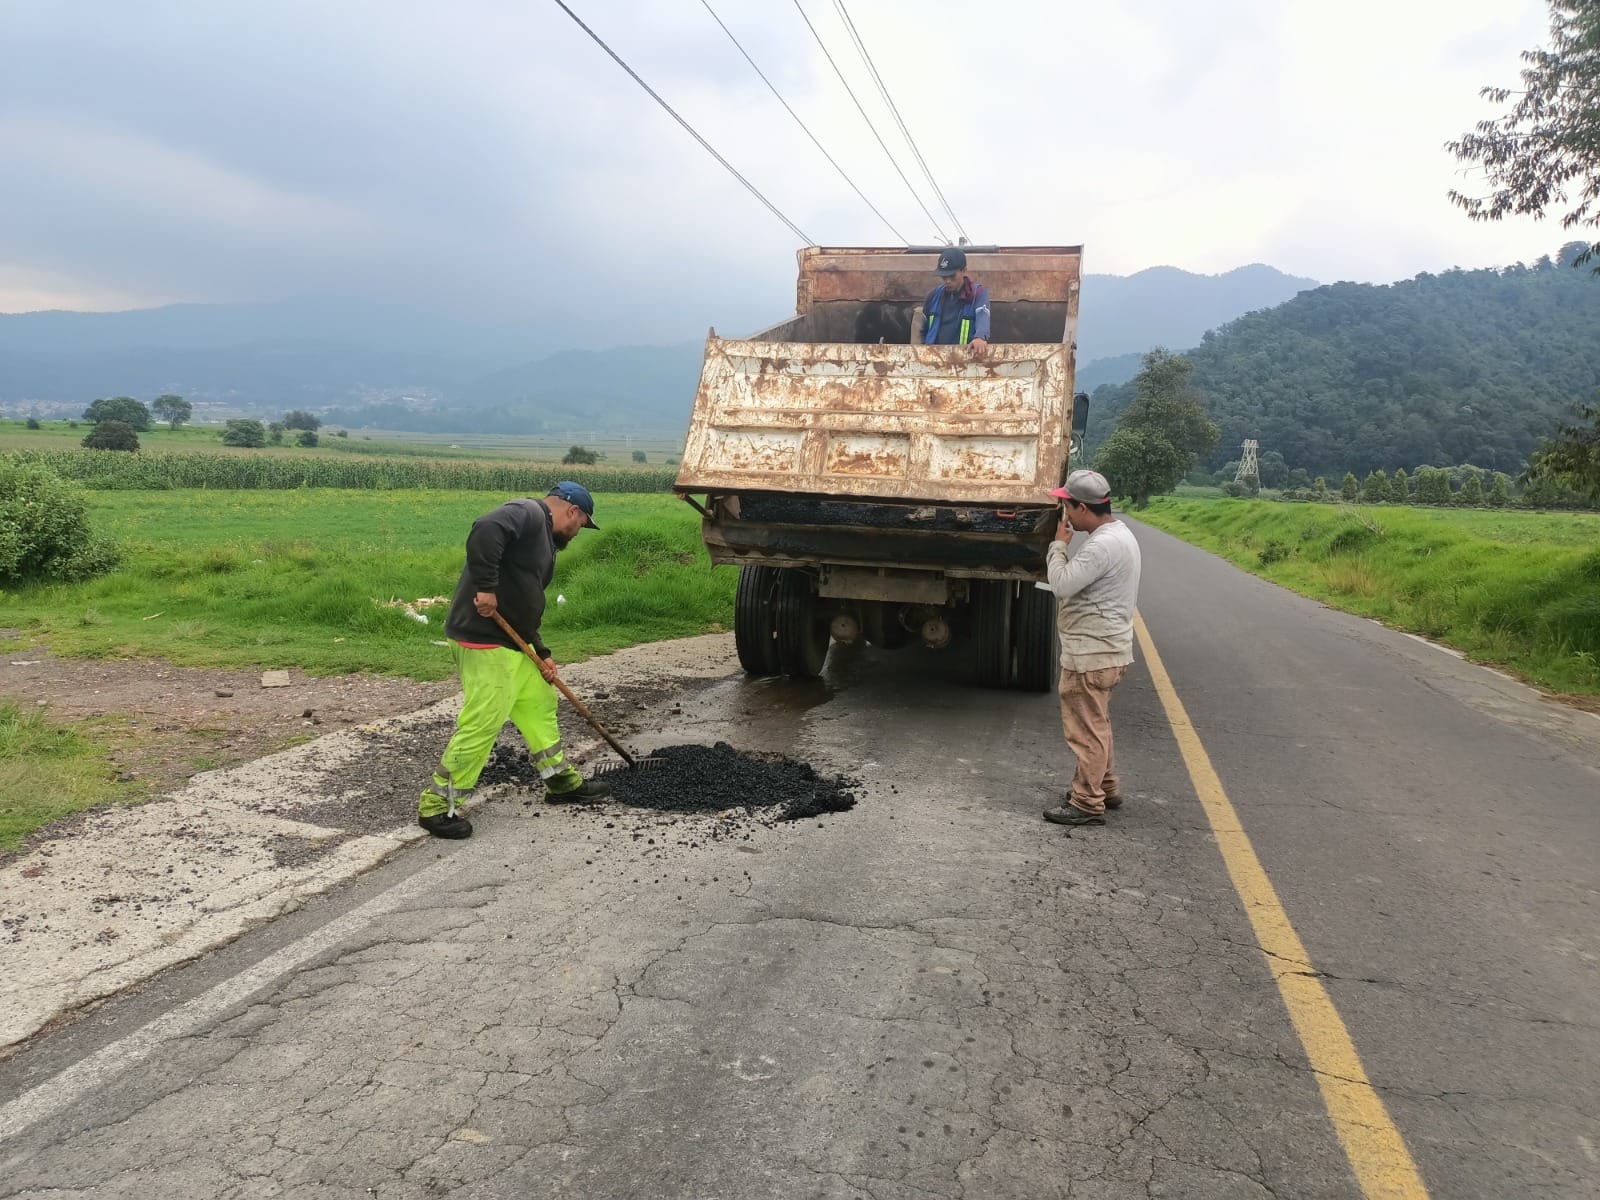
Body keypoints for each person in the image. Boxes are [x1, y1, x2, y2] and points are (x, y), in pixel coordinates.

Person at [418, 481, 611, 839]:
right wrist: (486, 588)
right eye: (581, 524)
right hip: (484, 641)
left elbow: (523, 602)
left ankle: (559, 781)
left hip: (513, 643)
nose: (578, 531)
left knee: (539, 702)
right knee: (484, 721)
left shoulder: (545, 543)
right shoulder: (529, 513)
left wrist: (541, 651)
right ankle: (437, 807)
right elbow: (485, 529)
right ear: (572, 511)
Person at [1041, 469, 1142, 828]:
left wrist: (1058, 546)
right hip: (1108, 651)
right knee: (1097, 723)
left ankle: (1086, 801)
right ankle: (1107, 787)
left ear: (1083, 507)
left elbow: (1062, 584)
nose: (1065, 513)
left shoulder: (1100, 546)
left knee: (1085, 731)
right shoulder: (1121, 534)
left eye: (1067, 506)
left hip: (1091, 655)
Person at [921, 247, 990, 357]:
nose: (947, 281)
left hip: (965, 358)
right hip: (935, 359)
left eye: (952, 276)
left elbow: (983, 316)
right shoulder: (933, 296)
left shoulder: (978, 294)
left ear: (964, 271)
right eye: (944, 276)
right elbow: (922, 330)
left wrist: (980, 337)